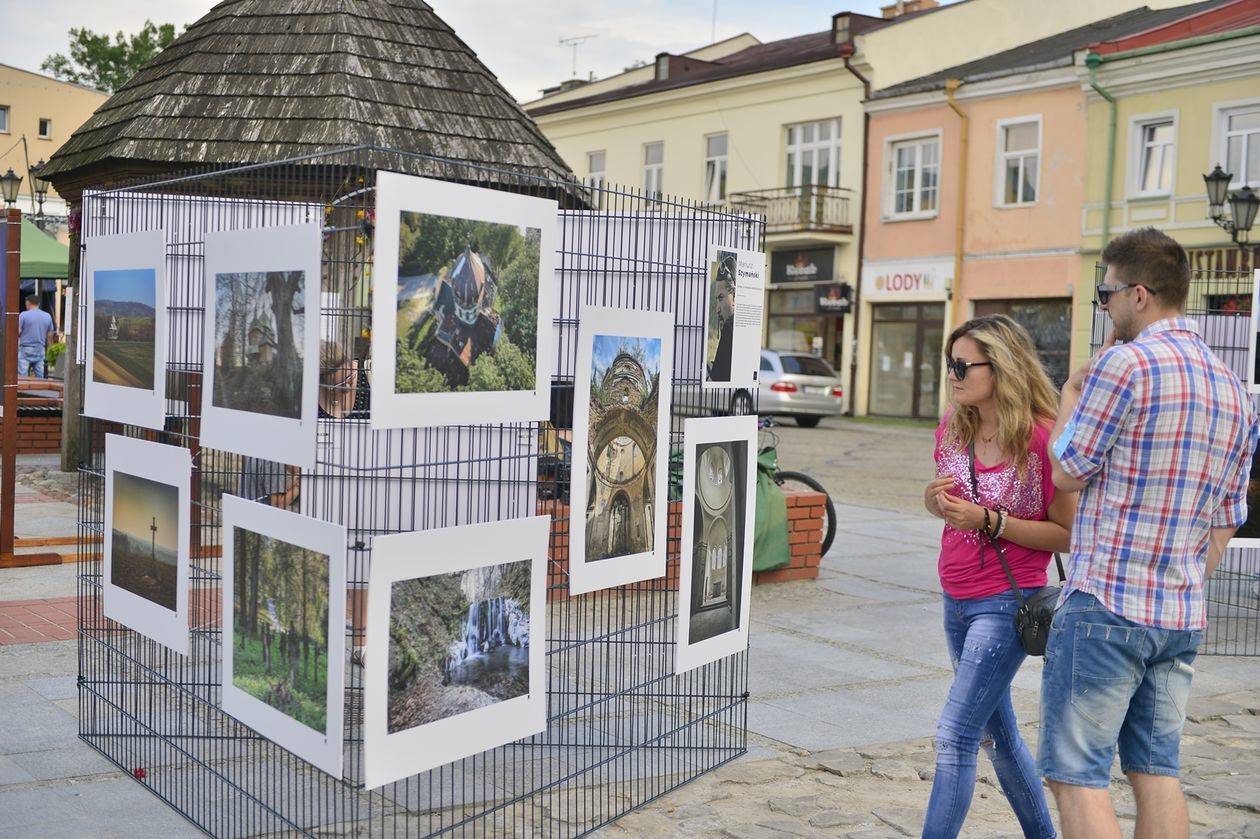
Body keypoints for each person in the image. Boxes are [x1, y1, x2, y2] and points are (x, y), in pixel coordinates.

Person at [1042, 227, 1257, 839]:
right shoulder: (1233, 388)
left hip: (1107, 603)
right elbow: (1229, 514)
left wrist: (1072, 393)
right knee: (1156, 769)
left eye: (1106, 293)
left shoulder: (1123, 364)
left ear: (1139, 294)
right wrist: (1180, 576)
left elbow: (1066, 470)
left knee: (1077, 774)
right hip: (1179, 612)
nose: (1103, 305)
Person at [922, 314, 1074, 839]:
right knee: (1000, 736)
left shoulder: (1041, 440)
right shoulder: (953, 424)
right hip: (955, 595)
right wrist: (934, 502)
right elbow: (945, 501)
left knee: (957, 734)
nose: (953, 374)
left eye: (963, 365)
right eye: (949, 364)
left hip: (1007, 603)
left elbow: (1067, 534)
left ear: (1001, 367)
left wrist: (991, 520)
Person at [708, 252, 736, 382]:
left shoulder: (730, 327)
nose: (717, 309)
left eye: (721, 298)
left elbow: (716, 378)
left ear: (734, 295)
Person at [18, 295, 55, 378]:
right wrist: (48, 346)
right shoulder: (47, 316)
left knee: (22, 376)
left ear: (28, 303)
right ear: (38, 304)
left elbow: (18, 331)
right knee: (40, 376)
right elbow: (50, 334)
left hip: (25, 349)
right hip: (40, 349)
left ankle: (22, 390)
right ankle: (40, 390)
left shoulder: (23, 315)